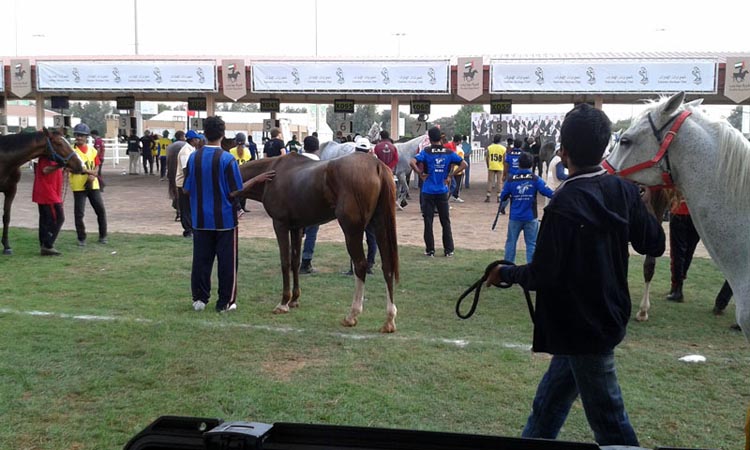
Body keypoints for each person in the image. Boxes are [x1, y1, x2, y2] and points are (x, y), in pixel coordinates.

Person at [484, 103, 665, 447]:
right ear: (604, 147)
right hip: (595, 323)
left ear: (563, 152)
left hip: (584, 330)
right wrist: (640, 202)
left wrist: (505, 272)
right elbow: (653, 242)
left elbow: (543, 274)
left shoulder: (564, 204)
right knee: (547, 406)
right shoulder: (622, 192)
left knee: (612, 428)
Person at [184, 116, 275, 312]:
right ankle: (225, 302)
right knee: (227, 263)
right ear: (223, 135)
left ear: (204, 134)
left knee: (200, 260)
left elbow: (187, 188)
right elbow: (236, 190)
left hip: (200, 218)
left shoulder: (194, 157)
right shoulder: (227, 159)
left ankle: (199, 299)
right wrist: (257, 179)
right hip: (225, 219)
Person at [410, 126, 466, 257]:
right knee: (445, 221)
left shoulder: (426, 152)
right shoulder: (448, 152)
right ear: (440, 138)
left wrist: (420, 173)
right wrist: (451, 176)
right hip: (442, 190)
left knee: (428, 221)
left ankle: (430, 250)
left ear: (429, 138)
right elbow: (464, 164)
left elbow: (412, 162)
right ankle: (449, 250)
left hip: (428, 190)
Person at [500, 152, 554, 264]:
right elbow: (547, 192)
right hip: (531, 216)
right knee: (531, 244)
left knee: (511, 243)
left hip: (515, 217)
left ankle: (508, 268)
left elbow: (503, 196)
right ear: (531, 165)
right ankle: (532, 270)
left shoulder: (511, 179)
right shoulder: (535, 179)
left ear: (519, 163)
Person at [70, 122, 108, 246]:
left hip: (93, 183)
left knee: (100, 210)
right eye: (77, 135)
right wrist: (89, 172)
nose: (79, 138)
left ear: (86, 137)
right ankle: (81, 238)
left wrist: (93, 174)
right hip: (78, 184)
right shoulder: (71, 151)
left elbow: (96, 164)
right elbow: (71, 168)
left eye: (82, 135)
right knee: (79, 213)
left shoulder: (92, 150)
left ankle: (103, 235)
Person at [666, 190, 700, 302]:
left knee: (677, 253)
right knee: (688, 252)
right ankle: (677, 285)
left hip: (679, 211)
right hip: (697, 215)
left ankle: (677, 288)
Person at [33, 154, 65, 256]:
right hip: (47, 192)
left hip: (51, 191)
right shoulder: (46, 157)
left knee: (45, 220)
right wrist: (60, 165)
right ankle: (47, 245)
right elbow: (45, 170)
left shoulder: (56, 156)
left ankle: (44, 244)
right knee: (58, 217)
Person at [300, 136, 322, 275]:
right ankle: (306, 263)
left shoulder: (294, 161)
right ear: (317, 148)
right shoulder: (321, 164)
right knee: (311, 234)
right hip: (313, 206)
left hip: (295, 203)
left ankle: (292, 259)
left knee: (295, 233)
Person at [176, 130, 200, 238]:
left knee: (189, 207)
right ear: (192, 140)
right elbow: (186, 169)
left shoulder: (192, 149)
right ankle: (187, 229)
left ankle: (191, 228)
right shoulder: (186, 151)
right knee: (185, 207)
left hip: (188, 182)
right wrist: (189, 184)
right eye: (197, 138)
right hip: (183, 182)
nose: (198, 140)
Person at [166, 131, 187, 222]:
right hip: (181, 170)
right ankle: (180, 211)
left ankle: (178, 209)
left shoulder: (170, 146)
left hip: (171, 169)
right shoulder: (185, 146)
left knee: (174, 189)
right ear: (182, 136)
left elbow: (168, 160)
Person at [230, 133, 252, 214]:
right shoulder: (247, 151)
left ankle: (237, 207)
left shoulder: (231, 151)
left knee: (235, 192)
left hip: (234, 172)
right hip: (245, 173)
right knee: (244, 191)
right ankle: (243, 207)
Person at [484, 134, 506, 203]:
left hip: (492, 165)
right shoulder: (503, 148)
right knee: (499, 182)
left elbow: (487, 158)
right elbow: (504, 159)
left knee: (490, 181)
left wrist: (488, 165)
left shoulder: (489, 147)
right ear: (500, 140)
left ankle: (488, 196)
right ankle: (499, 197)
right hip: (500, 166)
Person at [449, 134, 466, 203]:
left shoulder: (449, 147)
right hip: (457, 170)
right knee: (456, 185)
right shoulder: (460, 150)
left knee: (451, 185)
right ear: (459, 141)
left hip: (450, 169)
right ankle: (454, 197)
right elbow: (461, 161)